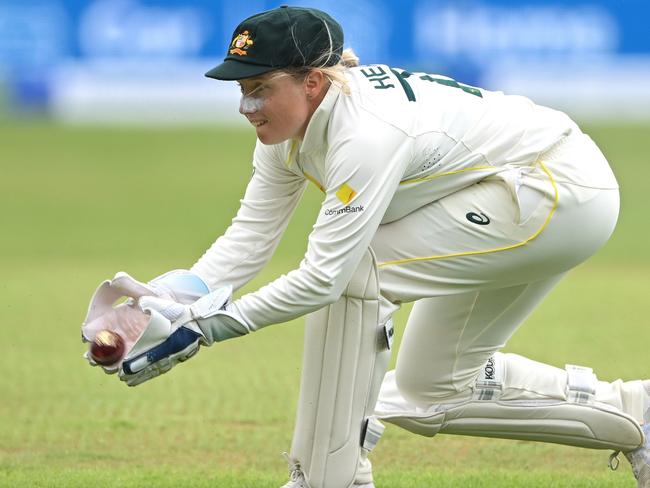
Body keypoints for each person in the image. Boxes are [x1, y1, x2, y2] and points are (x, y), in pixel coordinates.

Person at [83, 6, 650, 488]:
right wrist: (163, 303)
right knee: (432, 392)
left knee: (359, 271)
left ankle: (328, 474)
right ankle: (636, 415)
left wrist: (206, 327)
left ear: (311, 81)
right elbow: (245, 244)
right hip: (518, 193)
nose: (246, 107)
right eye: (241, 89)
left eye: (260, 89)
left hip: (556, 189)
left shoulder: (364, 131)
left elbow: (325, 278)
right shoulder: (288, 135)